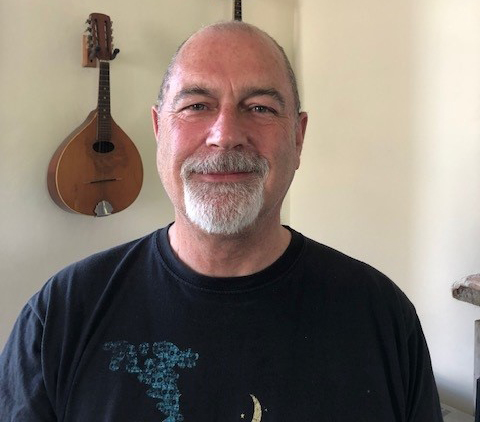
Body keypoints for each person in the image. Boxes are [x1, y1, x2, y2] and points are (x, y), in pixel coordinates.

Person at [0, 21, 442, 421]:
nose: (225, 133)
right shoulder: (61, 314)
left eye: (261, 108)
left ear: (299, 136)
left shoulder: (382, 317)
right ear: (159, 130)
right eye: (196, 105)